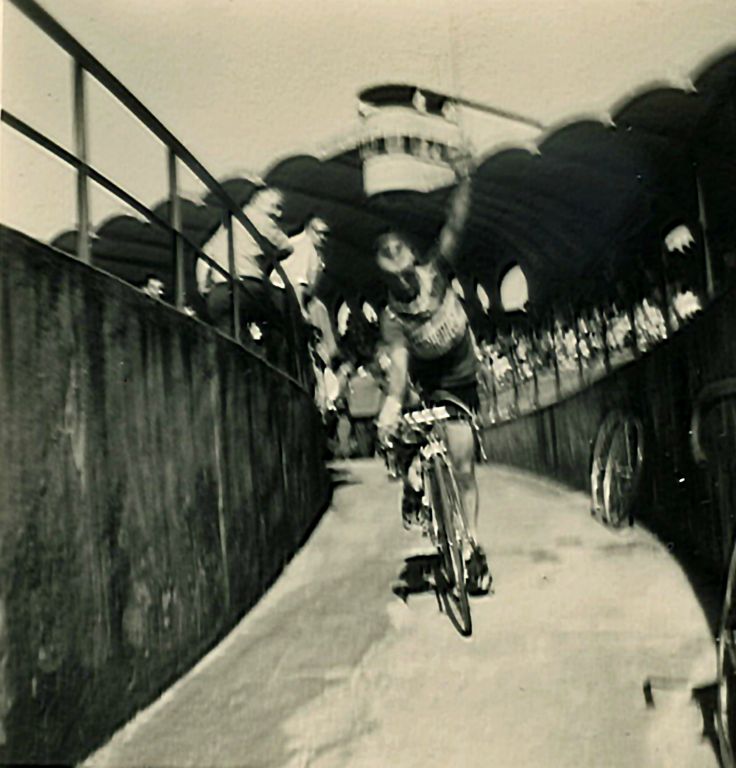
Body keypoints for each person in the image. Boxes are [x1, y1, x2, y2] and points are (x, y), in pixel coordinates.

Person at [374, 151, 492, 596]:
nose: (406, 286)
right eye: (396, 282)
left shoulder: (436, 269)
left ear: (414, 265)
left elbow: (455, 224)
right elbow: (400, 370)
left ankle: (472, 549)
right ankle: (413, 480)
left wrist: (465, 180)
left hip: (461, 369)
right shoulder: (392, 317)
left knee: (463, 465)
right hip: (429, 379)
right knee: (408, 428)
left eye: (407, 274)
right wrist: (390, 405)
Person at [195, 184, 293, 344]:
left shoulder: (225, 228)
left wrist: (203, 285)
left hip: (218, 293)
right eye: (276, 206)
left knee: (228, 335)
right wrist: (269, 257)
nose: (279, 213)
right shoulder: (261, 219)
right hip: (248, 288)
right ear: (258, 201)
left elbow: (204, 257)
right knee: (278, 320)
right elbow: (287, 247)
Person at [270, 216, 330, 315]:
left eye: (326, 234)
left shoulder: (304, 245)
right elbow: (298, 282)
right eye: (319, 232)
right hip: (282, 295)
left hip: (282, 294)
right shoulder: (305, 246)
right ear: (309, 229)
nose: (322, 237)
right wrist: (301, 309)